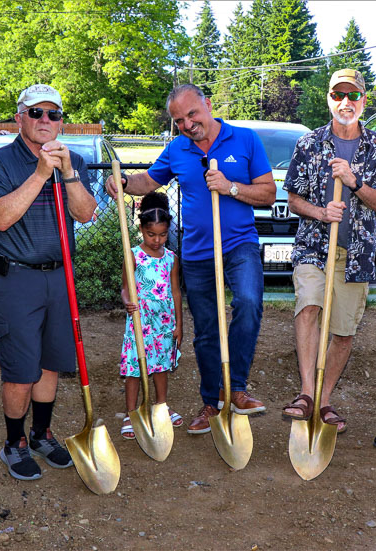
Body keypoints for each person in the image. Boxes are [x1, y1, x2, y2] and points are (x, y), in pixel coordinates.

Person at [106, 84, 275, 435]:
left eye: (192, 115)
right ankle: (212, 402)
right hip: (198, 252)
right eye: (179, 120)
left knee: (248, 302)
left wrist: (230, 187)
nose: (186, 124)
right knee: (207, 330)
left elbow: (268, 194)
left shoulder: (245, 140)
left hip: (239, 244)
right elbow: (148, 181)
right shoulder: (178, 148)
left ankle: (237, 389)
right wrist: (122, 180)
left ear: (207, 105)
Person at [0, 84, 97, 480]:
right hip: (16, 277)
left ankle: (41, 434)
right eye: (36, 113)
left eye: (54, 114)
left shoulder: (72, 159)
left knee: (51, 362)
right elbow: (0, 217)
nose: (46, 121)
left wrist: (67, 174)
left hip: (60, 276)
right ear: (19, 117)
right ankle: (13, 443)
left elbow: (85, 215)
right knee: (20, 369)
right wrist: (40, 173)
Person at [281, 69, 376, 433]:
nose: (346, 102)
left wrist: (353, 180)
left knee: (343, 331)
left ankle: (326, 399)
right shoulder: (309, 143)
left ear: (364, 100)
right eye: (338, 95)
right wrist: (320, 212)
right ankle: (307, 394)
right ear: (329, 98)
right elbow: (294, 198)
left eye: (353, 95)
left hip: (356, 253)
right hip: (314, 246)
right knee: (309, 305)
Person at [119, 192, 183, 438]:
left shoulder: (171, 258)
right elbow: (125, 287)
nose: (157, 240)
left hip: (164, 323)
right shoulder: (133, 255)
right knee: (135, 368)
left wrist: (178, 324)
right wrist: (128, 303)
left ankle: (161, 406)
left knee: (161, 366)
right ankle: (130, 412)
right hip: (140, 322)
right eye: (151, 234)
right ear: (142, 231)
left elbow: (175, 292)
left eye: (163, 234)